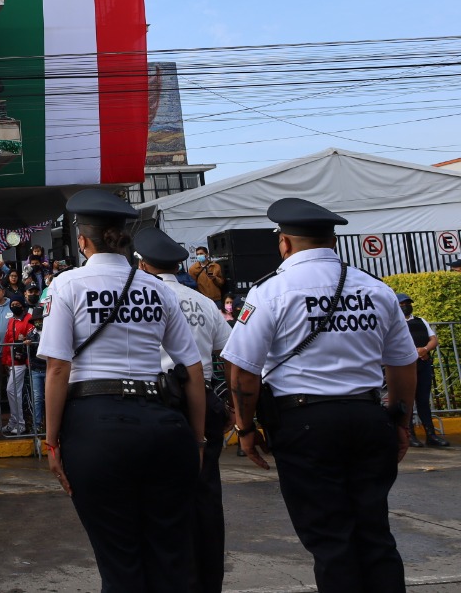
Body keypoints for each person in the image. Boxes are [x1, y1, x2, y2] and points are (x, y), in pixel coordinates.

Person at [222, 197, 419, 593]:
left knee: (332, 541)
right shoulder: (376, 289)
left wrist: (245, 428)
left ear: (285, 243)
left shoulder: (270, 292)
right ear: (332, 241)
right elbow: (403, 364)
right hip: (368, 418)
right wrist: (399, 420)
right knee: (375, 534)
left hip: (305, 424)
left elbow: (243, 371)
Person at [38, 189, 206, 592]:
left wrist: (51, 442)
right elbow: (193, 369)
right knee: (170, 557)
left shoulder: (67, 285)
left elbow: (58, 367)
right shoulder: (158, 289)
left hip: (96, 426)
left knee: (119, 560)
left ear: (83, 240)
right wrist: (197, 440)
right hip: (163, 424)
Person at [134, 226, 233, 593]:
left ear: (143, 264)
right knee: (205, 496)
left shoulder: (141, 295)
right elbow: (231, 355)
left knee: (157, 499)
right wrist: (233, 404)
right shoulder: (204, 303)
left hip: (159, 401)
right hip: (204, 399)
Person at [398, 294, 450, 448]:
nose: (406, 306)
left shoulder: (421, 321)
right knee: (407, 402)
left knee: (423, 401)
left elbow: (433, 339)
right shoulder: (394, 322)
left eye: (407, 303)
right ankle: (410, 435)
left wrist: (425, 349)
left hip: (423, 363)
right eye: (402, 304)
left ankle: (431, 435)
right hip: (406, 365)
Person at [0, 298, 38, 436]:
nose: (15, 306)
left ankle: (20, 424)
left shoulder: (29, 318)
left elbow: (32, 338)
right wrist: (5, 361)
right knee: (12, 391)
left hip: (22, 361)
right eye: (12, 305)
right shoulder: (11, 320)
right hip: (11, 361)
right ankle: (13, 422)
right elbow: (6, 341)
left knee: (12, 390)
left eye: (17, 304)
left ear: (23, 305)